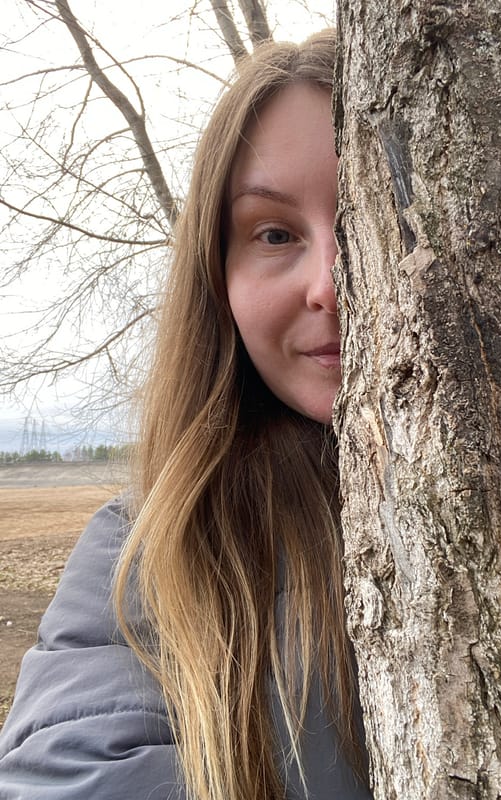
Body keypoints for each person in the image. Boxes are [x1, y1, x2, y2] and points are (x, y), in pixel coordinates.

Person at [0, 30, 372, 800]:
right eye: (274, 233)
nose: (331, 285)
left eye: (370, 220)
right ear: (219, 282)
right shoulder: (155, 548)